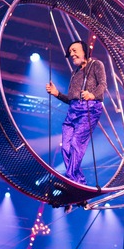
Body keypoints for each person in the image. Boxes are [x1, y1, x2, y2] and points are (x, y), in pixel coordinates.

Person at [45, 40, 106, 185]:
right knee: (65, 147)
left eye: (74, 50)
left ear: (84, 51)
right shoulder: (75, 73)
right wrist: (57, 94)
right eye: (70, 52)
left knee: (76, 144)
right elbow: (73, 99)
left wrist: (92, 94)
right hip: (73, 111)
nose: (71, 54)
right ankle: (78, 180)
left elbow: (103, 85)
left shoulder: (96, 65)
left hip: (89, 109)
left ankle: (70, 179)